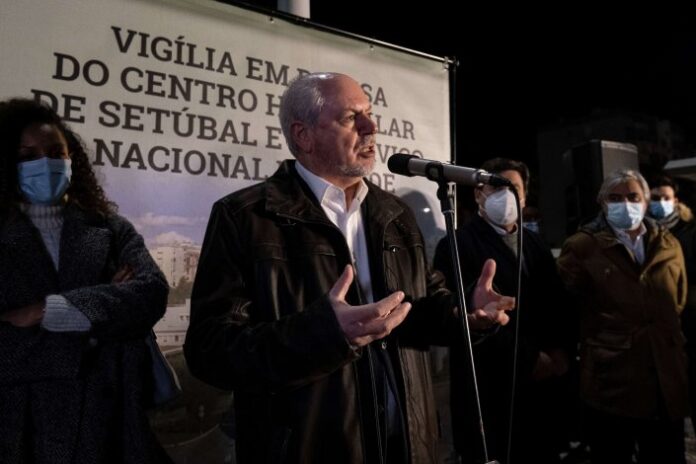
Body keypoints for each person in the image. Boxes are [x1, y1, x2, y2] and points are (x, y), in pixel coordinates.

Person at [183, 72, 514, 464]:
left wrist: (465, 312)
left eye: (369, 113)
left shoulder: (395, 214)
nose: (371, 127)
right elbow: (210, 350)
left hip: (408, 444)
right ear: (304, 135)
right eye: (350, 118)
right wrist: (326, 333)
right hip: (310, 450)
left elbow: (420, 309)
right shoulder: (245, 217)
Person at [0, 98, 171, 463]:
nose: (44, 164)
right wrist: (99, 326)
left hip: (110, 425)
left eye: (55, 153)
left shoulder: (110, 228)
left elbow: (152, 293)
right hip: (19, 429)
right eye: (28, 155)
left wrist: (45, 311)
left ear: (71, 157)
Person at [433, 158, 573, 463]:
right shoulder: (456, 245)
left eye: (513, 188)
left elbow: (555, 304)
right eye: (497, 187)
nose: (506, 195)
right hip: (491, 390)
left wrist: (559, 353)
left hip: (541, 392)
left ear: (524, 196)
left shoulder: (535, 243)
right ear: (478, 193)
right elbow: (461, 317)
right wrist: (530, 359)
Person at [557, 169, 688, 464]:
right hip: (613, 383)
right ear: (602, 203)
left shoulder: (668, 243)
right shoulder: (582, 247)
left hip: (665, 380)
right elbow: (566, 310)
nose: (625, 204)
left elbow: (677, 302)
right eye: (615, 198)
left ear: (645, 202)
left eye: (633, 197)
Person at [647, 174, 696, 431]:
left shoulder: (689, 232)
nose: (661, 203)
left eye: (666, 198)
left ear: (676, 201)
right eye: (655, 198)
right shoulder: (644, 232)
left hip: (689, 321)